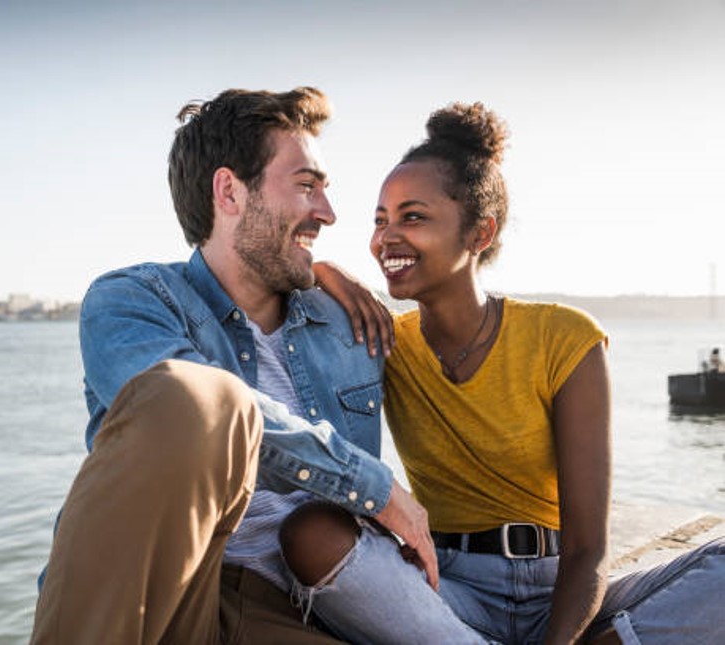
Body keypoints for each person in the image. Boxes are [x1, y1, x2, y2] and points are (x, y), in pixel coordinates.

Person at [29, 87, 481, 644]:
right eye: (307, 186)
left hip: (304, 608)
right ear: (230, 192)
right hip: (166, 598)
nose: (328, 212)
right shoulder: (132, 303)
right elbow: (211, 416)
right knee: (192, 396)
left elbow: (461, 386)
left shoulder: (346, 320)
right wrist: (375, 488)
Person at [286, 102, 725, 644]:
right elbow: (274, 287)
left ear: (480, 232)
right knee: (309, 534)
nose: (386, 238)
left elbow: (588, 546)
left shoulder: (563, 337)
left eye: (413, 217)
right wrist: (324, 269)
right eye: (380, 220)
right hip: (443, 589)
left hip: (559, 584)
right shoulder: (384, 343)